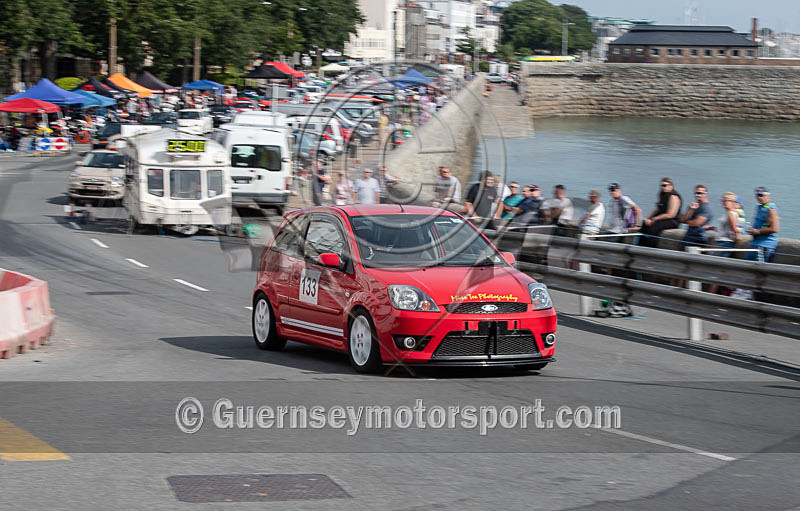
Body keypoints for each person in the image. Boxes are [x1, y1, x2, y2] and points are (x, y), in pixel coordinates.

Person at [639, 177, 682, 248]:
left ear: (671, 186)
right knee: (644, 225)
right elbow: (657, 209)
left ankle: (651, 247)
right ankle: (641, 246)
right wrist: (649, 218)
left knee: (653, 229)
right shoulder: (662, 194)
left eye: (665, 185)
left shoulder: (673, 197)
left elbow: (671, 214)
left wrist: (655, 218)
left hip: (671, 221)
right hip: (661, 217)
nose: (663, 187)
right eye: (662, 185)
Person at [747, 186, 780, 262]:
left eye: (761, 195)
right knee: (749, 268)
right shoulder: (760, 207)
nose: (759, 197)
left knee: (757, 270)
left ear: (767, 195)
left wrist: (756, 231)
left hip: (764, 245)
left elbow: (774, 229)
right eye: (757, 195)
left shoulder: (771, 209)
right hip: (756, 243)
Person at [679, 184, 713, 249]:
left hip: (698, 239)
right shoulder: (693, 206)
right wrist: (691, 210)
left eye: (699, 193)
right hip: (687, 237)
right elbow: (682, 220)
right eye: (696, 193)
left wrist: (687, 221)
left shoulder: (706, 208)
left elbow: (697, 223)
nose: (697, 195)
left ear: (705, 194)